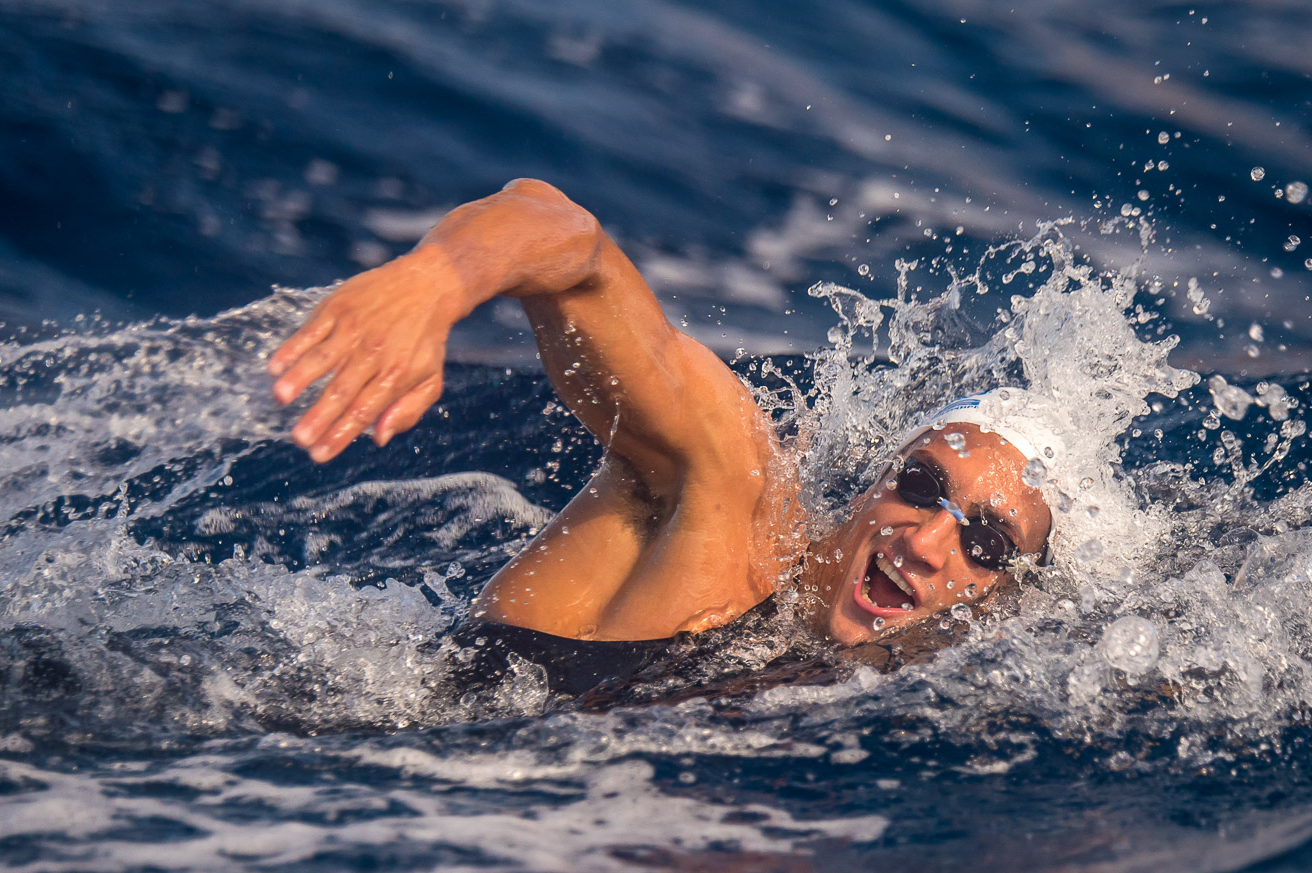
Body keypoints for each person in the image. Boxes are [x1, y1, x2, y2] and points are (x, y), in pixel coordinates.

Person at [268, 179, 1058, 697]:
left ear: (1008, 598)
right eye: (920, 486)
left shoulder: (891, 672)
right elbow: (568, 240)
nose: (923, 542)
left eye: (985, 542)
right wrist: (435, 282)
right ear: (874, 479)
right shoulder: (734, 494)